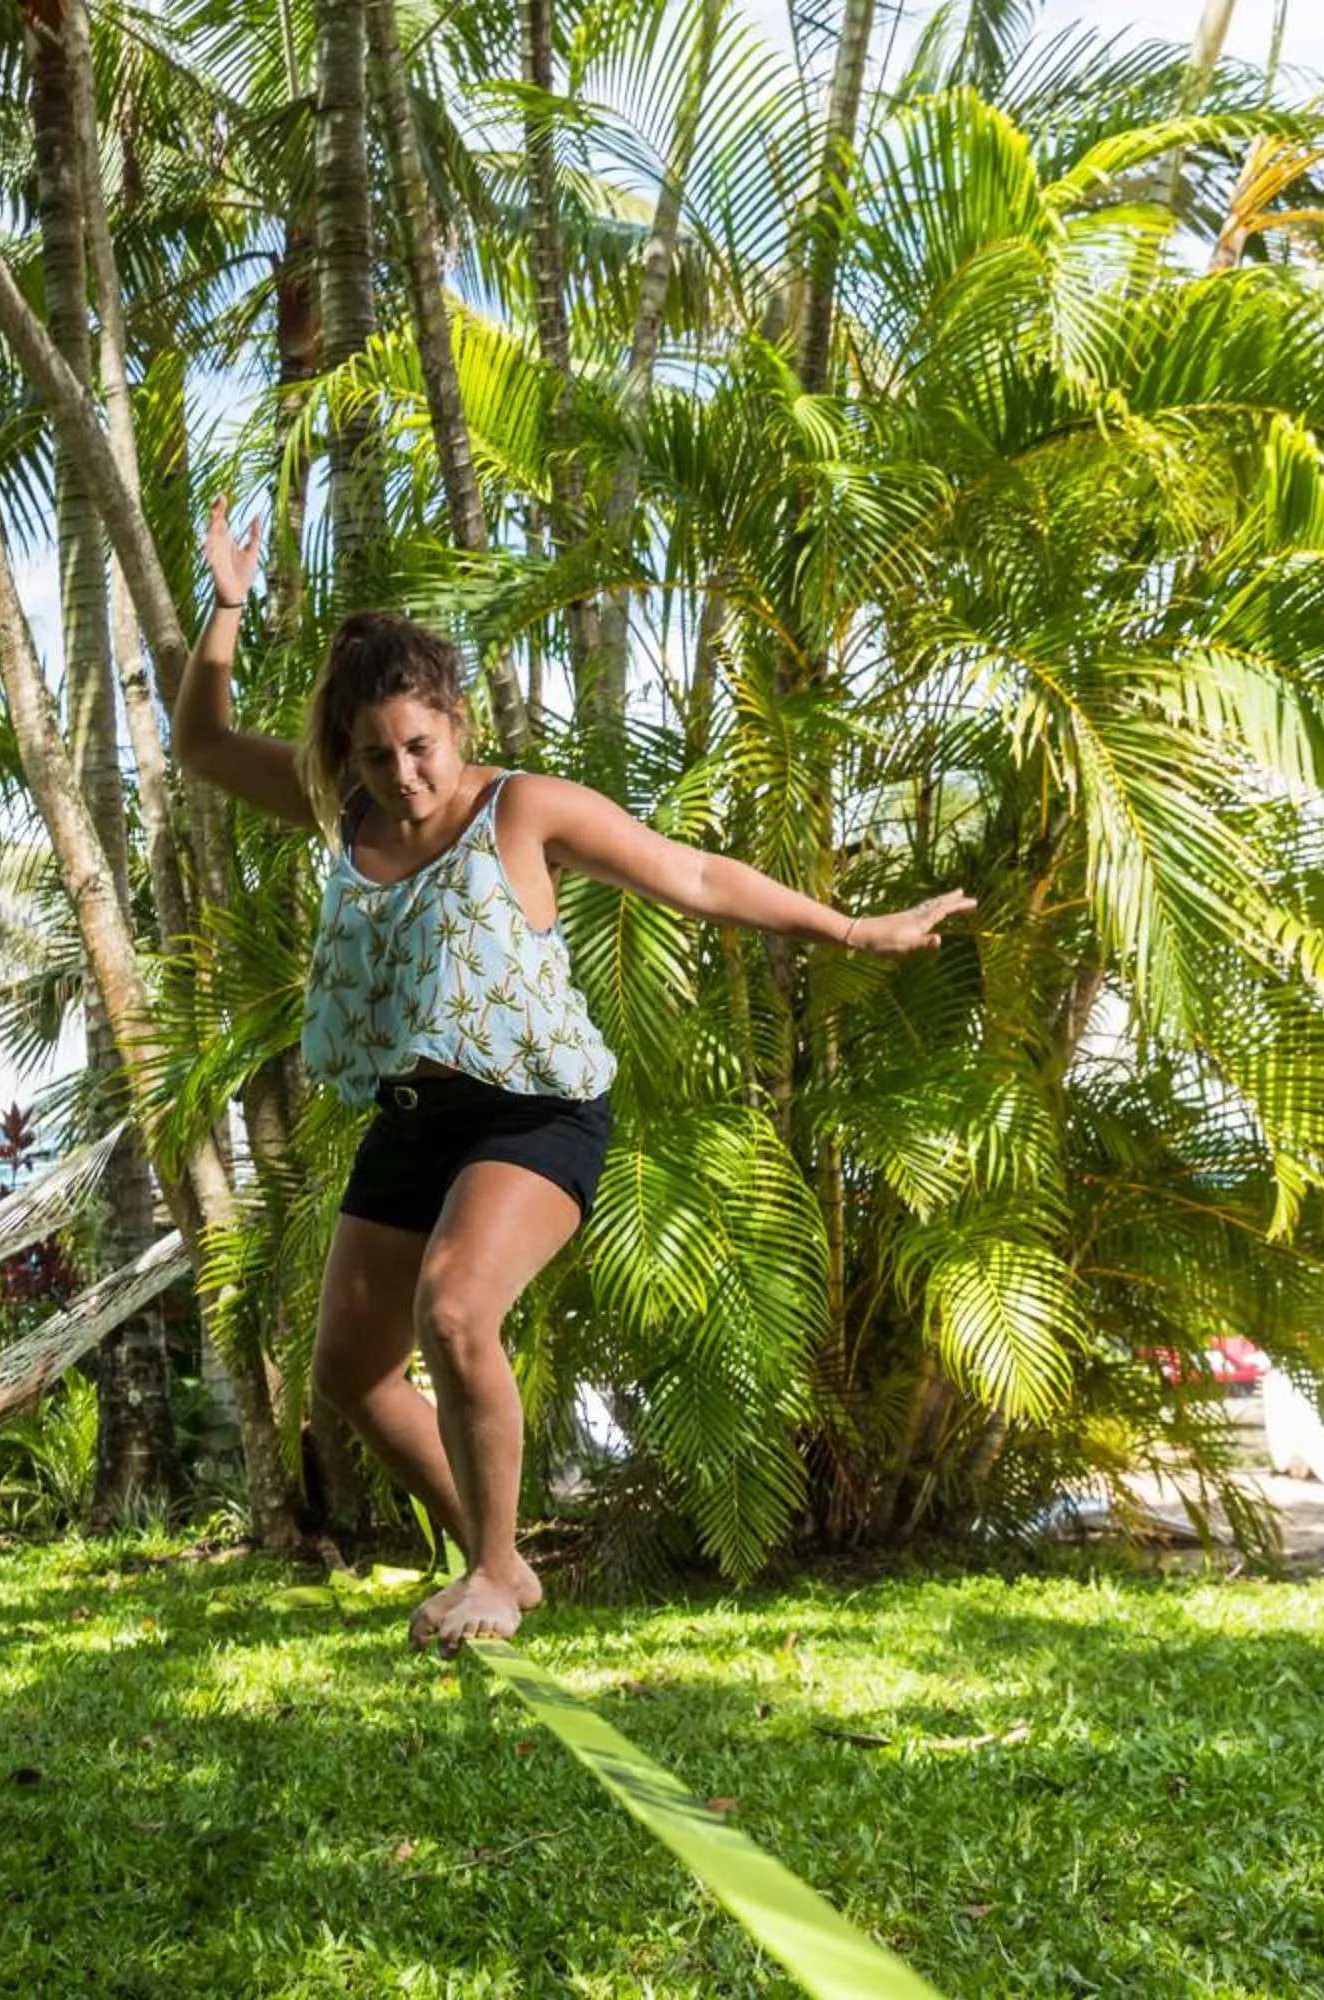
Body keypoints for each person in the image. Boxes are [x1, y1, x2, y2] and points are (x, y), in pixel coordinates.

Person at [169, 497, 971, 1653]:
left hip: (534, 1112)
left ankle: (492, 1568)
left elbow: (692, 874)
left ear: (454, 719)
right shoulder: (340, 810)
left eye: (419, 746)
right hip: (410, 1117)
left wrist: (852, 931)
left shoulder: (521, 808)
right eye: (375, 755)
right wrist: (229, 607)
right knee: (351, 1367)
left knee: (454, 1308)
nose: (402, 775)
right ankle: (504, 1559)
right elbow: (199, 743)